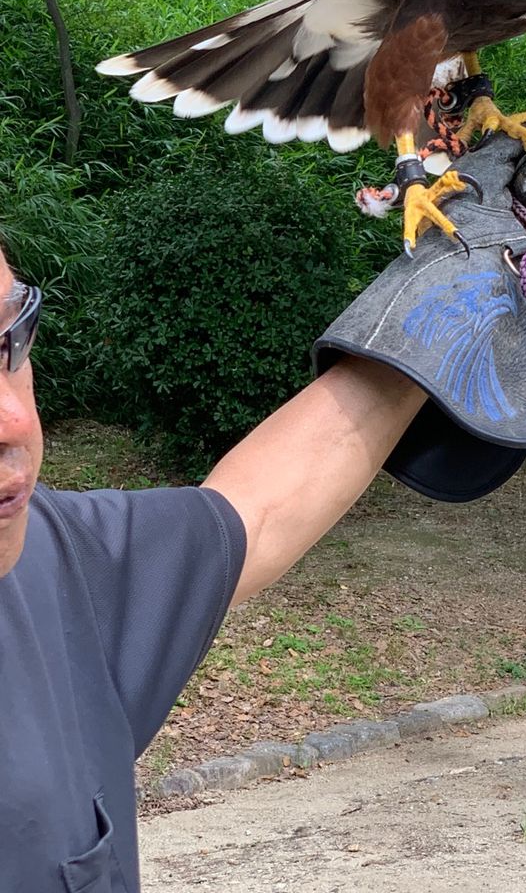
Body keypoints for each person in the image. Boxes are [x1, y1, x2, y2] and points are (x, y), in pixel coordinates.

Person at [0, 243, 426, 893]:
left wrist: (448, 291)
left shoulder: (49, 558)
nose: (15, 420)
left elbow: (254, 514)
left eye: (12, 340)